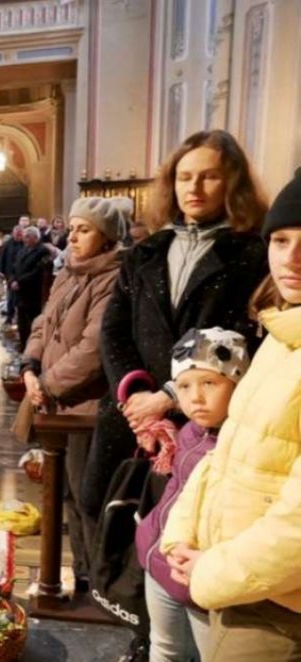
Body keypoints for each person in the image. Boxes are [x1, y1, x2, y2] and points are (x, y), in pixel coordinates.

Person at [91, 131, 268, 662]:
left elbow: (243, 335)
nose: (195, 186)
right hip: (131, 411)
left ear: (230, 181)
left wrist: (170, 396)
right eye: (184, 176)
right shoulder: (148, 249)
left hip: (201, 420)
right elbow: (114, 329)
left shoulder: (251, 251)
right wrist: (137, 393)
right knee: (118, 520)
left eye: (209, 175)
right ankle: (139, 636)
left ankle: (163, 646)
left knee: (177, 534)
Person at [159, 172, 301, 660]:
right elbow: (227, 458)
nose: (291, 258)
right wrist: (180, 534)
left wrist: (211, 573)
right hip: (240, 581)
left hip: (279, 603)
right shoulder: (282, 333)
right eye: (281, 240)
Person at [20, 196, 127, 593]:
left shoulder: (113, 277)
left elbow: (92, 349)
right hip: (54, 401)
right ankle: (82, 572)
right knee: (63, 491)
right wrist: (30, 366)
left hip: (84, 407)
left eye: (84, 230)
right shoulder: (70, 272)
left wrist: (47, 383)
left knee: (87, 496)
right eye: (73, 229)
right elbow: (42, 323)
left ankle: (101, 580)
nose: (74, 237)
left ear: (106, 236)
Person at [132, 328, 248, 661]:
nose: (195, 397)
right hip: (160, 563)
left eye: (210, 383)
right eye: (184, 386)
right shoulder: (189, 432)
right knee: (164, 647)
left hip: (199, 575)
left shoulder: (237, 444)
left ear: (238, 384)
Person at [10, 226, 49, 351]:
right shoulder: (23, 249)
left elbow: (37, 271)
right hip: (20, 291)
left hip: (32, 291)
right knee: (21, 320)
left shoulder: (42, 251)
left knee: (32, 320)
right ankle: (23, 344)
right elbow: (15, 266)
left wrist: (19, 281)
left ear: (35, 238)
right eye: (24, 236)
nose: (24, 239)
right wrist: (12, 280)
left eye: (27, 236)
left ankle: (33, 347)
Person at [0, 226, 25, 325]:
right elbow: (2, 258)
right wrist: (0, 271)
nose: (18, 236)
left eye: (20, 234)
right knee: (11, 296)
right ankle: (10, 316)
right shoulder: (7, 244)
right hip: (9, 273)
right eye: (17, 234)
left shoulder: (25, 243)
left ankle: (19, 317)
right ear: (13, 234)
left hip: (21, 274)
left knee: (20, 296)